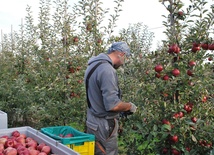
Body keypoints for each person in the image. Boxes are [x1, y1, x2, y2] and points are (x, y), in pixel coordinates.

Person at [84, 41, 137, 155]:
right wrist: (129, 106)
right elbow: (113, 105)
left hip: (92, 120)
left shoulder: (93, 65)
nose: (123, 63)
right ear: (121, 54)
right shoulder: (107, 70)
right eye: (125, 58)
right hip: (104, 124)